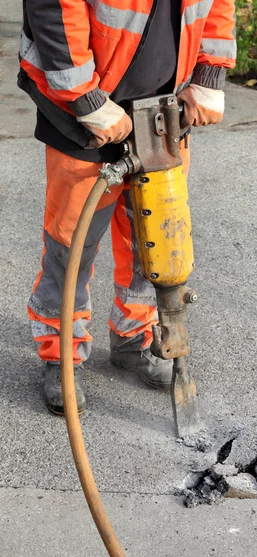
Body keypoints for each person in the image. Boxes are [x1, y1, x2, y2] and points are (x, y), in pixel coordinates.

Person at [18, 0, 236, 415]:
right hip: (83, 115)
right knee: (72, 246)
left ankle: (134, 335)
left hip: (163, 112)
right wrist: (86, 100)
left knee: (153, 241)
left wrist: (209, 75)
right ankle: (61, 353)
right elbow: (51, 9)